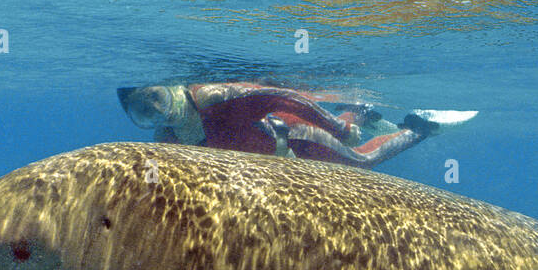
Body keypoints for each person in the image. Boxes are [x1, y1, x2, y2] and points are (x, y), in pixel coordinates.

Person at [117, 81, 446, 168]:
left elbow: (289, 98)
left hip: (291, 131)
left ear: (170, 87)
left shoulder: (211, 96)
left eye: (156, 98)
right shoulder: (167, 140)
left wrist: (337, 127)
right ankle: (356, 110)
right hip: (277, 159)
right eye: (144, 112)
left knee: (359, 161)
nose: (160, 112)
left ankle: (420, 127)